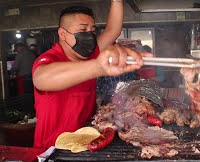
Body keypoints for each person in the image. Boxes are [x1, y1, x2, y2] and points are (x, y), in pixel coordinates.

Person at [32, 3, 150, 148]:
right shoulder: (50, 59)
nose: (89, 35)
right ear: (62, 34)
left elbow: (112, 30)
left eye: (92, 31)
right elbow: (41, 78)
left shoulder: (89, 56)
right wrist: (98, 67)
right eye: (82, 30)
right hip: (52, 150)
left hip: (86, 144)